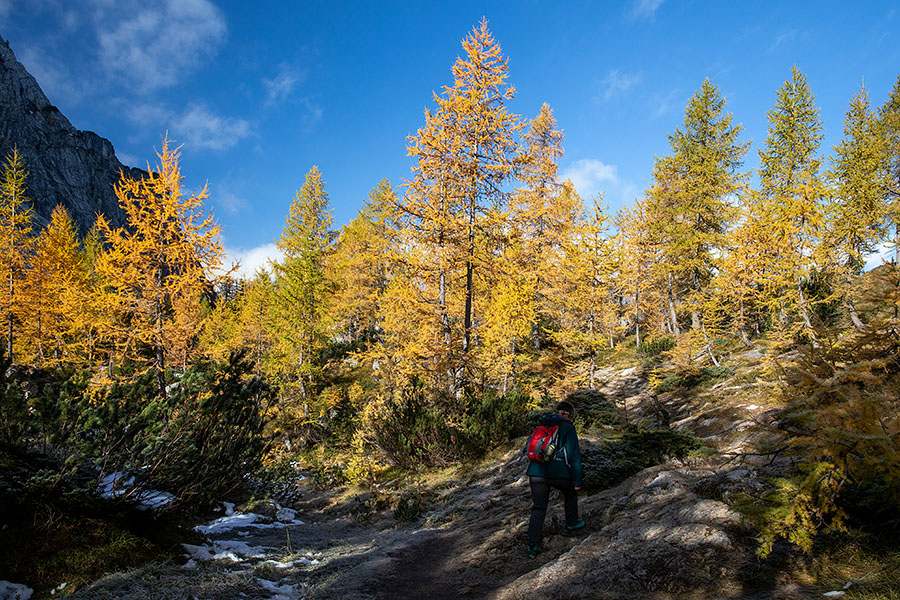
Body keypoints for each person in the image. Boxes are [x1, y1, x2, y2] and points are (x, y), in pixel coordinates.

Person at [526, 400, 584, 558]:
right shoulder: (568, 427)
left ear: (557, 411)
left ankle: (533, 545)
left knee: (539, 508)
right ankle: (571, 524)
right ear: (570, 415)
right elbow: (574, 456)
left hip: (536, 473)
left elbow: (528, 449)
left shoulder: (542, 425)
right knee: (571, 493)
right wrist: (578, 481)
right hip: (559, 473)